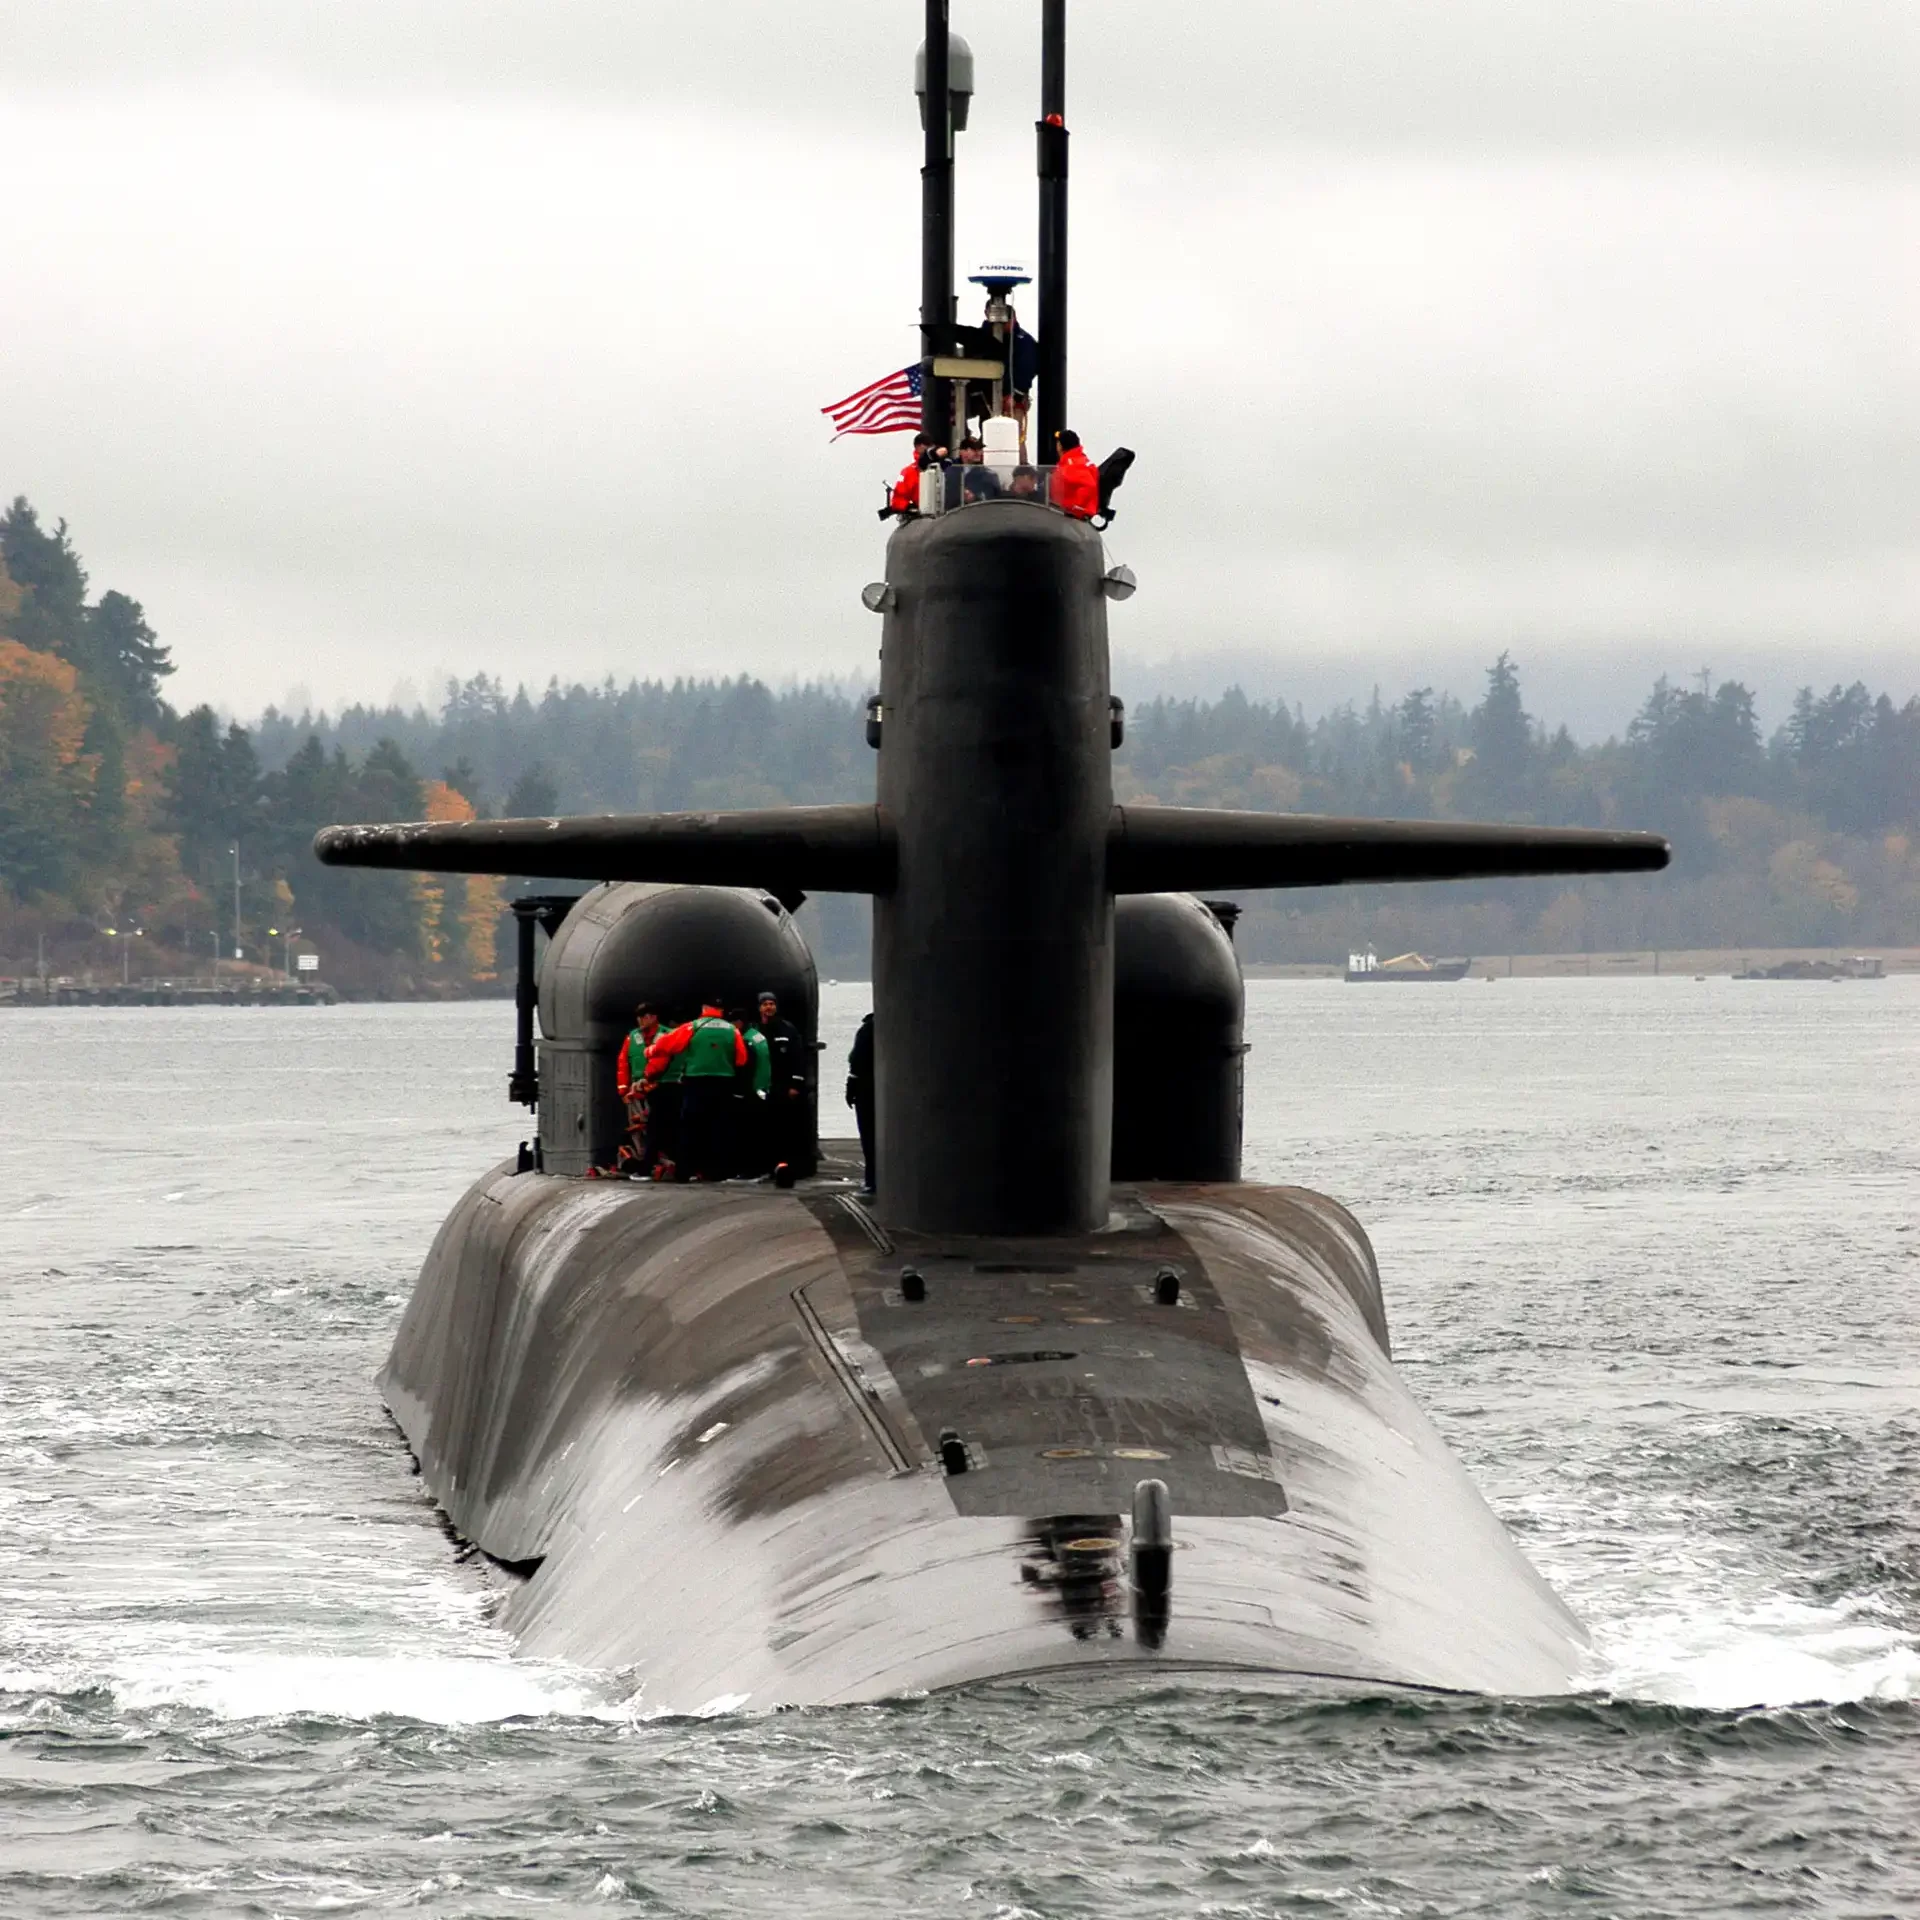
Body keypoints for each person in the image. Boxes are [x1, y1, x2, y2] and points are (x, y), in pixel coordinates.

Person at [648, 999, 748, 1180]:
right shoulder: (732, 1030)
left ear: (704, 1009)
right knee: (719, 1128)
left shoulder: (692, 1027)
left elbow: (668, 1045)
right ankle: (717, 1172)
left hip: (696, 1083)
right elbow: (741, 1059)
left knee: (690, 1128)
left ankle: (684, 1172)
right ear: (721, 1010)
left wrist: (650, 1051)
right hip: (723, 1083)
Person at [755, 990, 807, 1173]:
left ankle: (785, 1164)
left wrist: (795, 1084)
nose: (769, 1007)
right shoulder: (756, 1030)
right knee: (763, 1126)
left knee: (783, 1127)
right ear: (760, 1007)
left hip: (782, 1086)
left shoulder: (787, 1029)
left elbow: (798, 1058)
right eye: (765, 1004)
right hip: (762, 1086)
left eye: (772, 1004)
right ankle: (765, 1164)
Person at [611, 1001, 662, 1176]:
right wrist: (623, 1091)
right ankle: (641, 1162)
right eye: (639, 1017)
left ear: (653, 1017)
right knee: (638, 1130)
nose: (640, 1021)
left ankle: (661, 1161)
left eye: (644, 1017)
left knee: (658, 1127)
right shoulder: (632, 1037)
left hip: (658, 1090)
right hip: (636, 1093)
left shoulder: (666, 1035)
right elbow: (623, 1064)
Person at [731, 1007, 772, 1174]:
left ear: (739, 1022)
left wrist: (739, 1092)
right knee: (759, 1133)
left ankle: (749, 1171)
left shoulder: (746, 1040)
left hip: (751, 1091)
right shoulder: (757, 1035)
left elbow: (746, 1068)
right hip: (762, 1089)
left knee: (746, 1134)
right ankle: (761, 1168)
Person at [846, 1011, 875, 1195]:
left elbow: (856, 1061)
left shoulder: (867, 1030)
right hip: (879, 1089)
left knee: (869, 1138)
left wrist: (851, 1089)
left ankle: (872, 1181)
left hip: (866, 1090)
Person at [1050, 428, 1100, 519]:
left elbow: (1089, 485)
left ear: (1060, 446)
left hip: (1071, 515)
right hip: (1071, 513)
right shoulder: (1080, 459)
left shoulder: (1072, 465)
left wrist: (1075, 508)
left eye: (1058, 442)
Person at [883, 435, 932, 519]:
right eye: (926, 446)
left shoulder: (945, 466)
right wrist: (908, 508)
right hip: (921, 514)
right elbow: (898, 500)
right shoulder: (909, 472)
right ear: (918, 447)